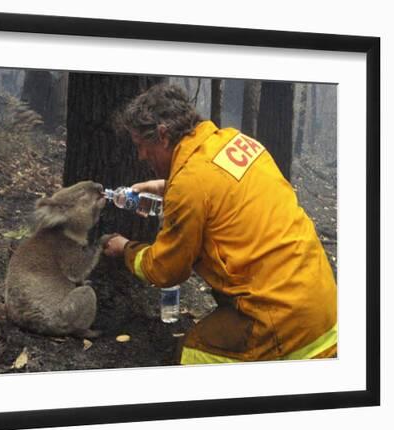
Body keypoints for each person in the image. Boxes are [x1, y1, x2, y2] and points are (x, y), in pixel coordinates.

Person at [103, 83, 337, 364]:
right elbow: (218, 189)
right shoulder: (235, 141)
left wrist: (125, 248)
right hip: (323, 307)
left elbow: (166, 270)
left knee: (192, 354)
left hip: (281, 324)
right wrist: (166, 187)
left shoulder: (190, 185)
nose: (140, 156)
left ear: (163, 136)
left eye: (141, 146)